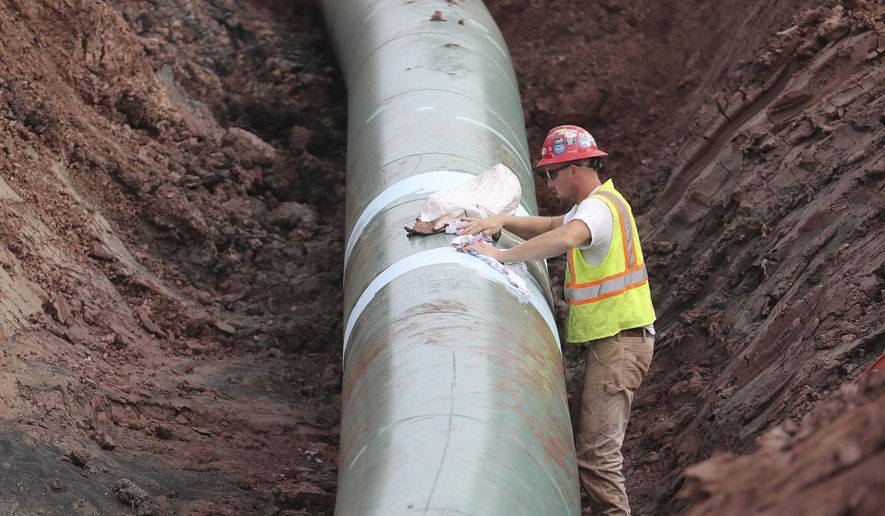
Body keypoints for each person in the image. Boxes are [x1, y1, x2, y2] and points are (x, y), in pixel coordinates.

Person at [459, 125, 656, 516]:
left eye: (552, 173)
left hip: (619, 344)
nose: (547, 182)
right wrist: (504, 221)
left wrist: (500, 257)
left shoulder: (597, 210)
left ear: (575, 169)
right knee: (594, 452)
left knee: (597, 459)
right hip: (614, 342)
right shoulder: (598, 203)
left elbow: (565, 239)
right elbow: (553, 225)